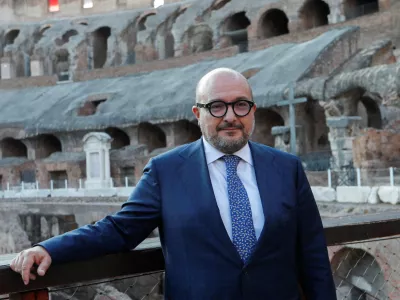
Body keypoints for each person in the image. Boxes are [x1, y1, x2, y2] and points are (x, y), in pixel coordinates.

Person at [10, 68, 337, 299]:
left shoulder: (286, 168)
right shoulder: (167, 171)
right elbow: (120, 229)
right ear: (198, 113)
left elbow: (312, 253)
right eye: (217, 106)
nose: (230, 116)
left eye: (241, 105)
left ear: (252, 111)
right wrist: (48, 247)